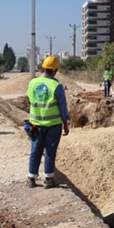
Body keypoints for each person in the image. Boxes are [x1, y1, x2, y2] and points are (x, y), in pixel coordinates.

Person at [26, 56, 70, 188]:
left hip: (35, 124)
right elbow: (63, 108)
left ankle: (31, 179)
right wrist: (66, 124)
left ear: (43, 68)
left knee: (35, 150)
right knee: (50, 151)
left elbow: (29, 99)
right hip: (53, 125)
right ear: (55, 70)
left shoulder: (32, 83)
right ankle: (49, 179)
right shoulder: (57, 86)